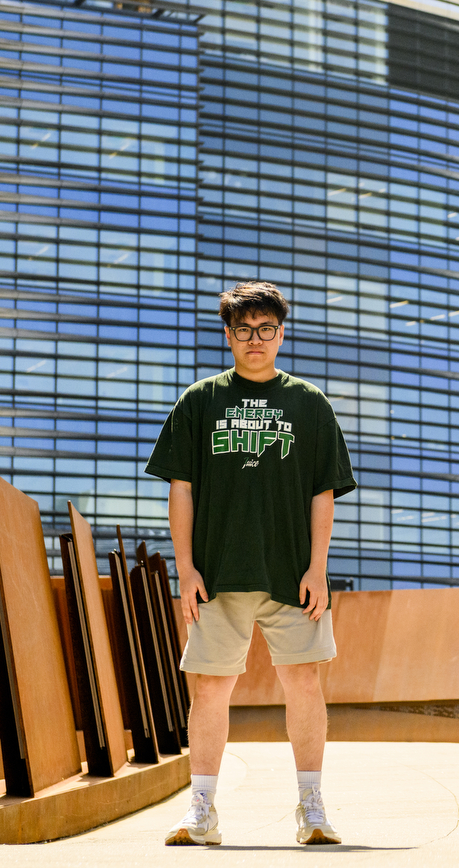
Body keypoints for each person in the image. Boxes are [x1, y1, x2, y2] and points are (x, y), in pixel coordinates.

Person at [146, 281, 356, 847]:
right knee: (210, 689)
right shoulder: (199, 401)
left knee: (304, 683)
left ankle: (312, 808)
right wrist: (185, 568)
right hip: (217, 576)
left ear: (281, 334)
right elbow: (181, 489)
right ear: (229, 335)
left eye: (266, 329)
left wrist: (318, 568)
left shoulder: (310, 404)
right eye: (244, 329)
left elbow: (323, 494)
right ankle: (202, 811)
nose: (256, 339)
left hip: (292, 575)